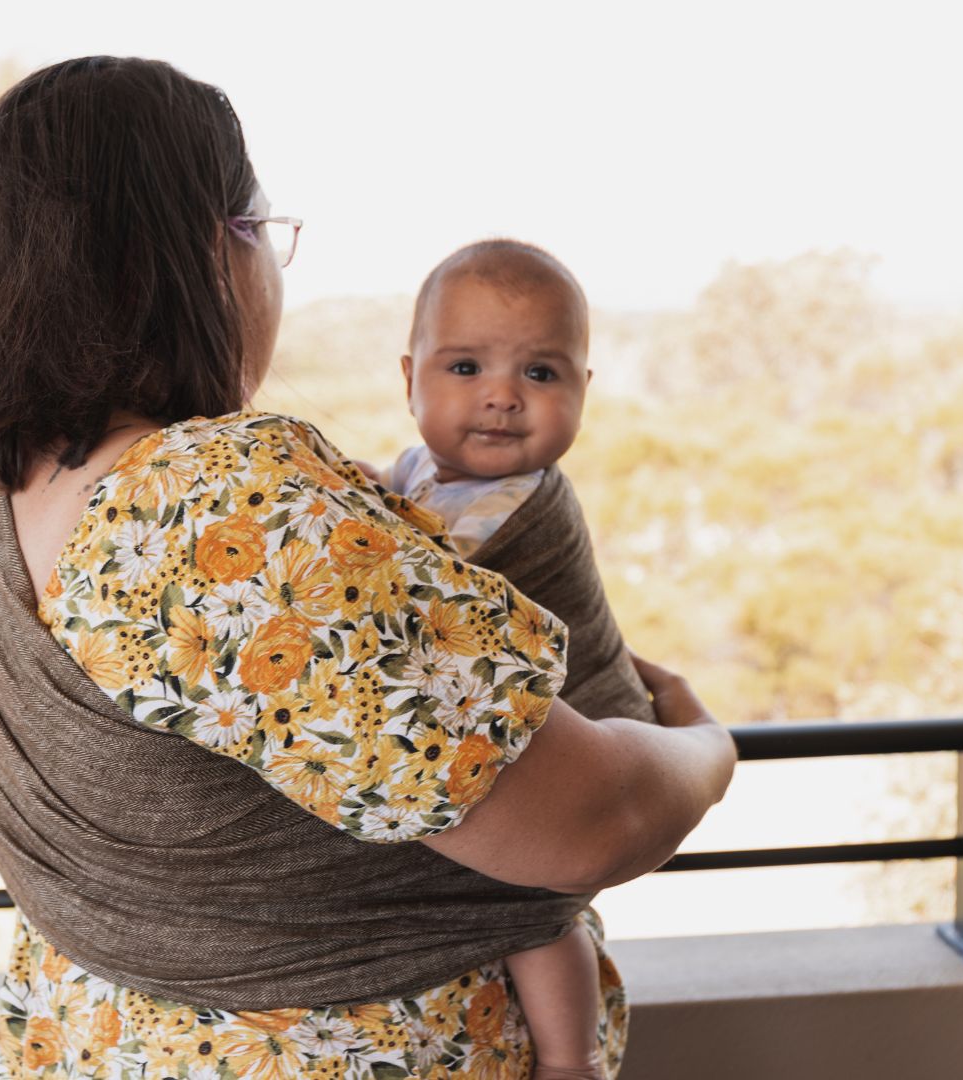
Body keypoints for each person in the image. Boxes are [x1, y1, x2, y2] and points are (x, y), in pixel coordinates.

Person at [0, 57, 737, 1080]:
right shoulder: (220, 508)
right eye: (265, 233)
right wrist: (705, 748)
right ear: (207, 251)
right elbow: (586, 823)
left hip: (99, 1041)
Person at [378, 240, 652, 1078]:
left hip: (577, 739)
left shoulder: (512, 505)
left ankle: (571, 1059)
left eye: (541, 374)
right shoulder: (424, 471)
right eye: (465, 366)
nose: (501, 397)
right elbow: (390, 514)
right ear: (410, 377)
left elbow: (410, 584)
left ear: (582, 391)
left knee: (532, 911)